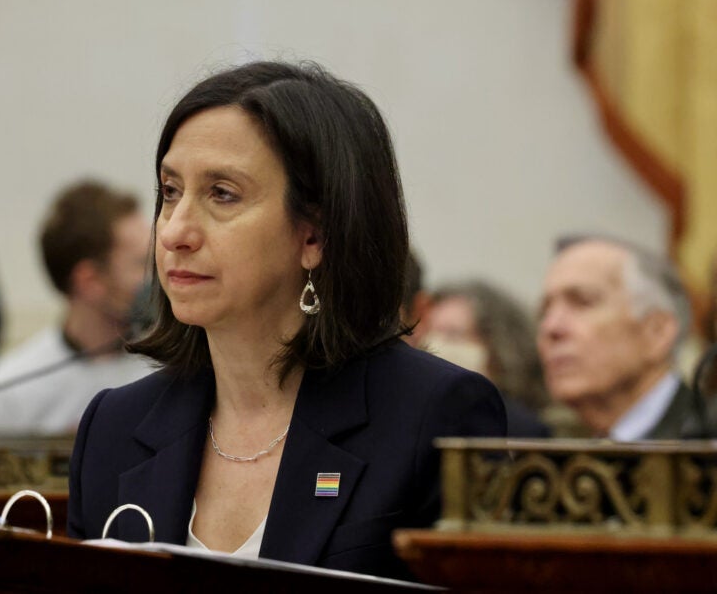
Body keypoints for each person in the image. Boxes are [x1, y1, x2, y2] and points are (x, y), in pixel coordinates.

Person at [67, 61, 505, 579]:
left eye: (222, 194)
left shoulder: (433, 417)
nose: (175, 232)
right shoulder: (114, 428)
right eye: (169, 191)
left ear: (314, 235)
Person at [0, 181, 153, 438]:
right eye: (141, 264)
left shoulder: (172, 370)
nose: (160, 277)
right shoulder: (5, 394)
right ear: (89, 281)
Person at [537, 234, 707, 439]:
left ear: (657, 332)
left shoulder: (706, 443)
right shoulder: (551, 454)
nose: (550, 327)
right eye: (544, 312)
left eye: (582, 302)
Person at [425, 280, 551, 437]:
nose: (434, 344)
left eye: (452, 334)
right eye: (429, 332)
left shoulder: (522, 430)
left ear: (497, 346)